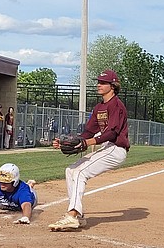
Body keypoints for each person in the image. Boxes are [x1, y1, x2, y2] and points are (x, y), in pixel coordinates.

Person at [48, 69, 129, 232]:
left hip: (117, 148)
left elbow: (112, 132)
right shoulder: (99, 107)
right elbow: (88, 132)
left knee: (80, 173)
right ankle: (78, 216)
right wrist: (66, 142)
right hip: (107, 147)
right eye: (98, 82)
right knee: (70, 170)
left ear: (112, 86)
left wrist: (87, 142)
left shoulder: (117, 105)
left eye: (103, 82)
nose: (99, 85)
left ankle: (72, 215)